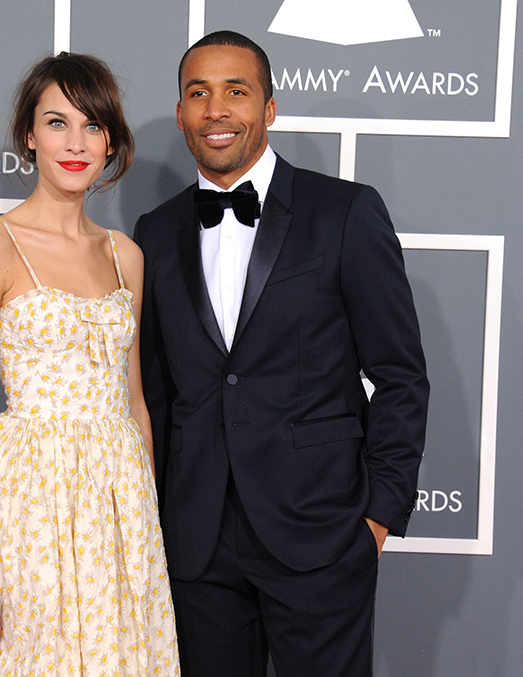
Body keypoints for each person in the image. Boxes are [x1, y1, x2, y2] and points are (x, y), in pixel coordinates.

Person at [133, 31, 429, 677]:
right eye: (198, 93)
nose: (216, 109)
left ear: (269, 108)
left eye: (236, 91)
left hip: (321, 532)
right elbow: (152, 393)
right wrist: (153, 525)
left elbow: (401, 376)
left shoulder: (345, 211)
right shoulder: (154, 233)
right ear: (181, 111)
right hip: (196, 542)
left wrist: (377, 516)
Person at [0, 52, 180, 676]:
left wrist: (146, 530)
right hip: (28, 500)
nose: (75, 143)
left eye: (93, 125)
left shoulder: (125, 254)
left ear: (111, 141)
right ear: (29, 134)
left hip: (118, 508)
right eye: (57, 123)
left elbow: (134, 402)